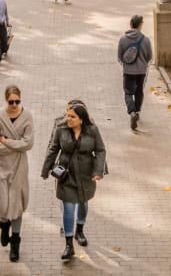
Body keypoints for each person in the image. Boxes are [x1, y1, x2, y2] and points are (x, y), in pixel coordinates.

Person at [41, 100, 107, 261]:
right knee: (68, 208)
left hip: (86, 174)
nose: (67, 119)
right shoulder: (61, 129)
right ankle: (69, 243)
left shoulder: (92, 130)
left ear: (81, 119)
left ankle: (80, 230)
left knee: (83, 203)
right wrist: (45, 170)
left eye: (72, 116)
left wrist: (98, 171)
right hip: (67, 174)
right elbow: (53, 149)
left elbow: (100, 150)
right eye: (67, 115)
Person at [0, 85, 34, 263]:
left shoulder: (27, 116)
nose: (15, 105)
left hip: (19, 167)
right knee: (3, 203)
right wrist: (16, 146)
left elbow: (29, 144)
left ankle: (15, 242)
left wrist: (7, 142)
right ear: (6, 100)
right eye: (11, 102)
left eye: (17, 101)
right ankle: (4, 224)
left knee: (16, 205)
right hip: (1, 165)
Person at [117, 14, 153, 129]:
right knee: (139, 92)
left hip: (128, 71)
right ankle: (137, 112)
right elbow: (149, 57)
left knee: (128, 93)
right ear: (140, 25)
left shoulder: (123, 39)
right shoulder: (146, 40)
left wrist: (127, 63)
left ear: (130, 24)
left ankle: (131, 112)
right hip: (141, 71)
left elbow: (120, 56)